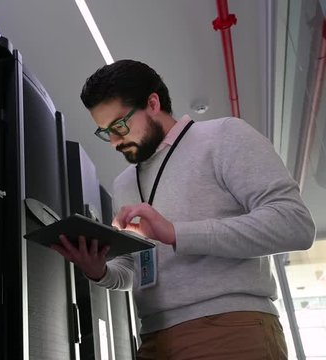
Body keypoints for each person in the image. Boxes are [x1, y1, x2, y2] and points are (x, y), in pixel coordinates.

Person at [51, 59, 315, 359]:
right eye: (104, 132)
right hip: (151, 336)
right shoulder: (124, 182)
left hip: (230, 328)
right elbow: (134, 272)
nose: (113, 142)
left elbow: (295, 224)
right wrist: (100, 271)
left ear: (153, 103)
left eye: (119, 126)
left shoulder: (224, 136)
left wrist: (176, 233)